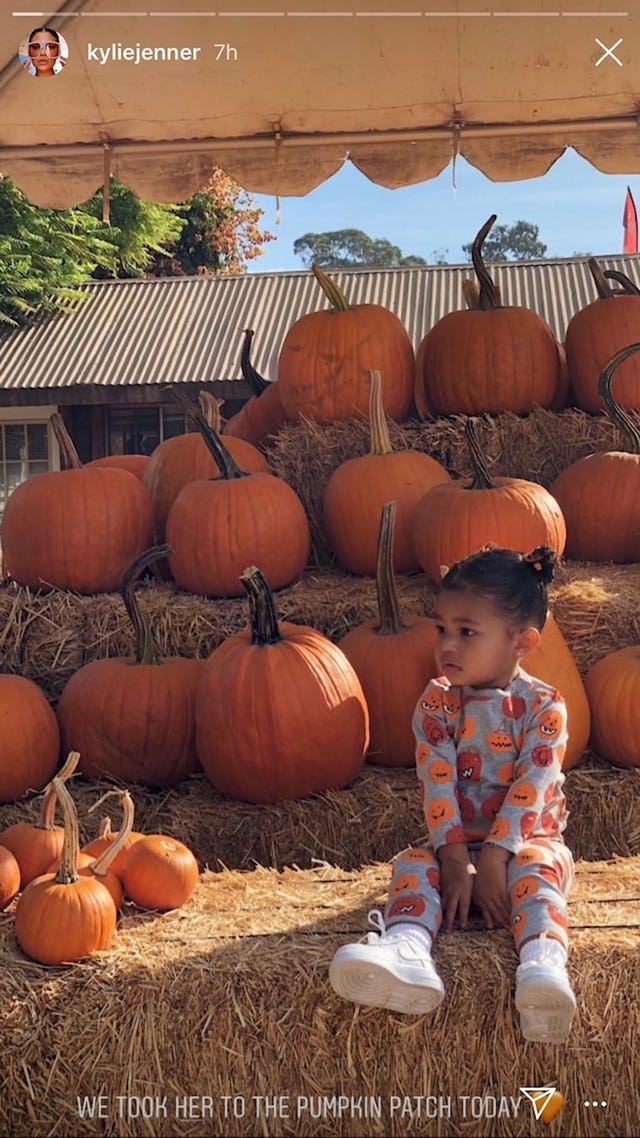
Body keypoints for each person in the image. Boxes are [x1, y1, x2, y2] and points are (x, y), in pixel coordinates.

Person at [329, 544, 576, 1044]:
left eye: (467, 632)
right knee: (412, 864)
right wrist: (454, 857)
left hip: (525, 846)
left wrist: (494, 861)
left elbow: (531, 790)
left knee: (537, 870)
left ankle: (542, 965)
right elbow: (436, 783)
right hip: (458, 849)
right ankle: (407, 950)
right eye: (442, 628)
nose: (447, 644)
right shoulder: (437, 703)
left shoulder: (544, 707)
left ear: (521, 641)